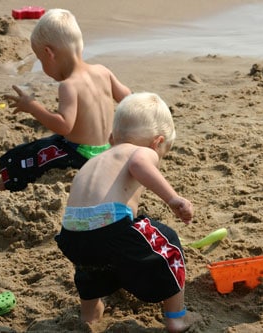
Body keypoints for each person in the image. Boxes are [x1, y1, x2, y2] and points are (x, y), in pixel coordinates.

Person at [55, 92, 199, 332]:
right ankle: (177, 317)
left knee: (90, 268)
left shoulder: (96, 160)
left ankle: (90, 314)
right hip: (110, 225)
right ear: (157, 141)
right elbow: (139, 165)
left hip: (71, 234)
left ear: (112, 138)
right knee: (169, 243)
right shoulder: (141, 151)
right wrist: (173, 199)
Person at [0, 8, 131, 191]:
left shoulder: (69, 85)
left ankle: (2, 187)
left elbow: (64, 126)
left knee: (19, 157)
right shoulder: (103, 71)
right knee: (51, 141)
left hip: (81, 154)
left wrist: (33, 107)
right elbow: (128, 100)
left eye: (41, 60)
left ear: (49, 53)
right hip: (106, 148)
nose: (43, 66)